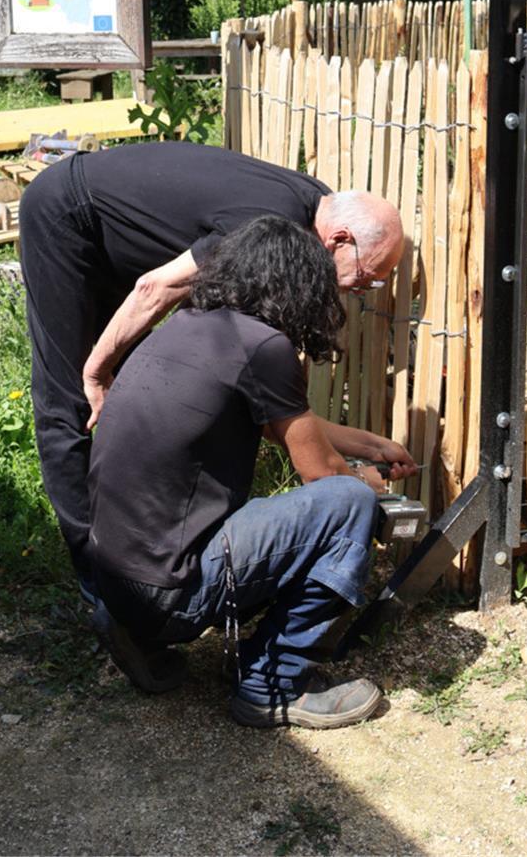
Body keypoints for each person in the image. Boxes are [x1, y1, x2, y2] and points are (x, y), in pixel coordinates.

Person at [19, 141, 404, 603]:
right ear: (339, 239)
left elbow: (262, 404)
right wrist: (97, 371)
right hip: (69, 216)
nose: (360, 290)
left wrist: (367, 445)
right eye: (366, 276)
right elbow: (154, 288)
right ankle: (99, 585)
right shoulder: (269, 225)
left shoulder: (310, 214)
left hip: (118, 239)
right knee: (69, 403)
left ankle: (133, 557)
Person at [87, 215, 417, 728]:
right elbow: (322, 476)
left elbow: (283, 424)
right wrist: (366, 482)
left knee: (327, 499)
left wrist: (372, 445)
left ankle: (135, 630)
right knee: (348, 504)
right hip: (173, 592)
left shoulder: (191, 328)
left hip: (116, 578)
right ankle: (274, 683)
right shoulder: (263, 347)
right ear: (300, 285)